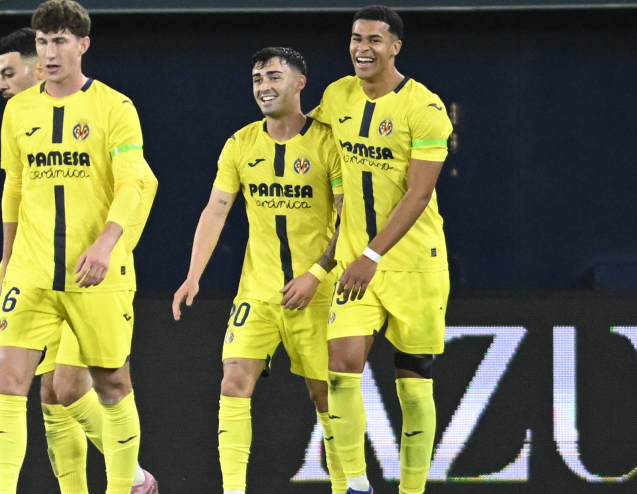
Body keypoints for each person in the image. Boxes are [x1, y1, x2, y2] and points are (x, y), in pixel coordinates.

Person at [0, 2, 157, 493]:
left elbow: (133, 183)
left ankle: (127, 484)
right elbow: (15, 189)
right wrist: (4, 272)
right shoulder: (19, 111)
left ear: (83, 44)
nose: (49, 52)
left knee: (109, 384)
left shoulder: (115, 107)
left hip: (93, 273)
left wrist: (106, 244)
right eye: (42, 42)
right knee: (9, 380)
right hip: (32, 272)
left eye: (59, 41)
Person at [172, 47, 348, 494]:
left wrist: (316, 273)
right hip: (257, 293)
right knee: (233, 382)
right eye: (257, 79)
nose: (263, 87)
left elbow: (349, 221)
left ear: (300, 83)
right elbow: (215, 211)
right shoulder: (240, 143)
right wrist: (193, 275)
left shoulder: (328, 143)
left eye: (273, 77)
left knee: (325, 397)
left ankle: (345, 486)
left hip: (317, 293)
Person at [312, 5, 453, 494]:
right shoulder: (337, 95)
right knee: (340, 368)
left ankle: (412, 490)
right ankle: (355, 485)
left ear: (395, 47)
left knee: (414, 383)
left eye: (374, 39)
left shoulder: (425, 108)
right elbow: (307, 137)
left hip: (413, 266)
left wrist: (371, 256)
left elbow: (419, 193)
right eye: (356, 38)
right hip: (355, 264)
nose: (362, 48)